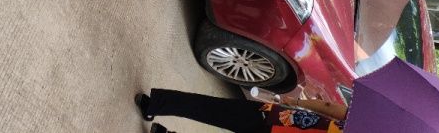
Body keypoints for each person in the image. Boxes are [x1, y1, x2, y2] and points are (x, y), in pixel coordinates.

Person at [133, 88, 347, 132]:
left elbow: (328, 107)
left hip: (280, 119)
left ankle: (155, 103)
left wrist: (296, 102)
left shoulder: (363, 120)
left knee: (213, 109)